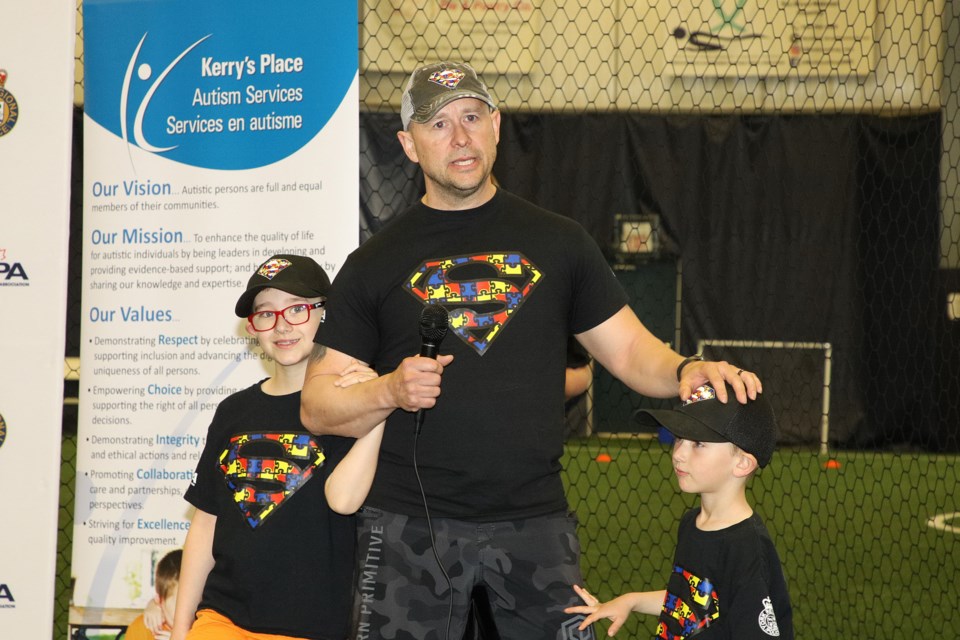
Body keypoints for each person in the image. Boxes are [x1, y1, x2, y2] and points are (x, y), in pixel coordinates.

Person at [300, 60, 761, 640]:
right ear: (408, 145)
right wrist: (389, 389)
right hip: (406, 527)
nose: (460, 137)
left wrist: (688, 368)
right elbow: (316, 405)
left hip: (534, 522)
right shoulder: (372, 264)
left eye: (471, 116)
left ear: (496, 125)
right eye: (437, 124)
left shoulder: (560, 242)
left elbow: (628, 352)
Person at [170, 254, 383, 640]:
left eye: (297, 309)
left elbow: (345, 501)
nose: (281, 325)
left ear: (326, 313)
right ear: (253, 327)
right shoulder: (233, 411)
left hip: (312, 626)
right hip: (222, 620)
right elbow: (205, 523)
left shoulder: (345, 407)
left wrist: (374, 405)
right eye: (265, 314)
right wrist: (183, 627)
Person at [566, 383, 793, 639]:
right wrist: (631, 601)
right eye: (679, 438)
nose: (678, 454)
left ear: (741, 463)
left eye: (697, 443)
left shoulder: (746, 548)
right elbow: (697, 604)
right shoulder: (692, 523)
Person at [126, 549, 183, 640]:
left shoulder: (206, 627)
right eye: (178, 603)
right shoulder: (141, 629)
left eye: (194, 601)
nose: (187, 609)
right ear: (159, 600)